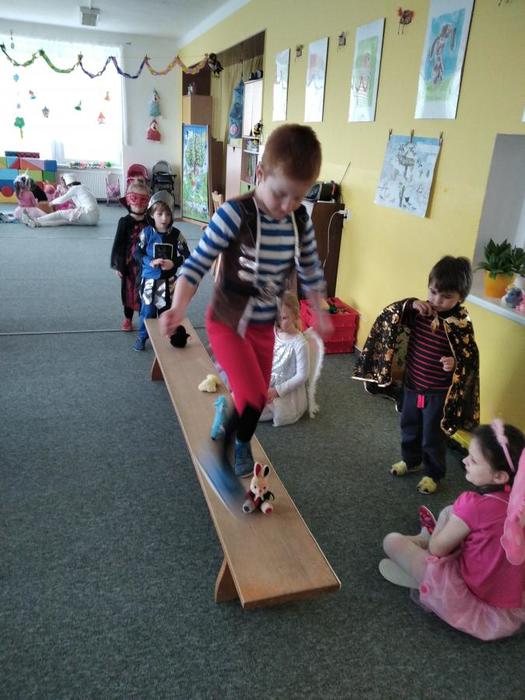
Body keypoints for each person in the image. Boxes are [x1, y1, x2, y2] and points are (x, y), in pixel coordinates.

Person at [159, 123, 332, 477]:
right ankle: (217, 461)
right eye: (280, 194)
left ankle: (241, 440)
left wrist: (320, 306)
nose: (287, 205)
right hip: (226, 323)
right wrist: (177, 307)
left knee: (259, 396)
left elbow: (310, 267)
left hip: (263, 327)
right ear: (260, 174)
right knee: (252, 393)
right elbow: (196, 265)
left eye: (298, 197)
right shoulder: (235, 214)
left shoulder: (298, 220)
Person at [380, 421, 525, 641]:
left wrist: (436, 540)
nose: (465, 461)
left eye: (473, 460)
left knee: (392, 541)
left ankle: (424, 542)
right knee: (455, 514)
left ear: (499, 476)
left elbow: (437, 549)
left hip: (467, 598)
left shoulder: (473, 504)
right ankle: (428, 538)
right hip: (508, 607)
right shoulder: (519, 505)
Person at [353, 256, 479, 494]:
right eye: (433, 292)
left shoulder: (460, 323)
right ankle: (411, 460)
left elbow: (469, 357)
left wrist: (456, 363)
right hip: (413, 386)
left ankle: (433, 473)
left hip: (438, 393)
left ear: (460, 298)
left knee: (433, 435)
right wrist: (410, 304)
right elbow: (390, 316)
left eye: (445, 296)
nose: (436, 300)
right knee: (409, 426)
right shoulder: (419, 312)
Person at [133, 192, 190, 351]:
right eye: (160, 214)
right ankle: (142, 336)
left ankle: (171, 338)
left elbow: (187, 255)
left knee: (167, 311)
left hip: (169, 281)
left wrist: (174, 263)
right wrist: (150, 261)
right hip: (149, 280)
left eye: (168, 214)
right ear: (152, 214)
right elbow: (137, 253)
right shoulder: (146, 233)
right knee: (148, 311)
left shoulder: (177, 235)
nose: (164, 218)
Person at [260, 291, 324, 427]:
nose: (278, 322)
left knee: (253, 410)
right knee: (243, 393)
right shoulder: (275, 331)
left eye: (284, 318)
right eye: (276, 317)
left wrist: (277, 391)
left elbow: (302, 376)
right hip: (270, 378)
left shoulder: (300, 343)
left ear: (295, 316)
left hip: (286, 390)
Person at [110, 180, 151, 332]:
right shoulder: (124, 222)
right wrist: (118, 265)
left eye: (143, 199)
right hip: (128, 264)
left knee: (145, 290)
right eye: (135, 198)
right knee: (128, 292)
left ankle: (144, 318)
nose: (138, 204)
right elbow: (118, 244)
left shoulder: (150, 221)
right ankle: (128, 318)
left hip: (144, 263)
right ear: (128, 200)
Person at [20, 173, 99, 227]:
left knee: (60, 213)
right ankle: (38, 224)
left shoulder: (75, 188)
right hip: (94, 219)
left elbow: (62, 199)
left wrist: (51, 202)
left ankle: (36, 220)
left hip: (87, 214)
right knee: (64, 221)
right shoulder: (83, 187)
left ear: (68, 183)